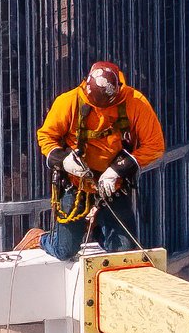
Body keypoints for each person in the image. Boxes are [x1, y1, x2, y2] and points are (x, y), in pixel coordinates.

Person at [36, 60, 165, 260]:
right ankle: (40, 239)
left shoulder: (134, 103)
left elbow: (155, 145)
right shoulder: (69, 102)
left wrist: (118, 169)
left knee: (122, 251)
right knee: (65, 250)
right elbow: (46, 136)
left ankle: (97, 225)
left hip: (113, 186)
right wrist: (63, 161)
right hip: (75, 184)